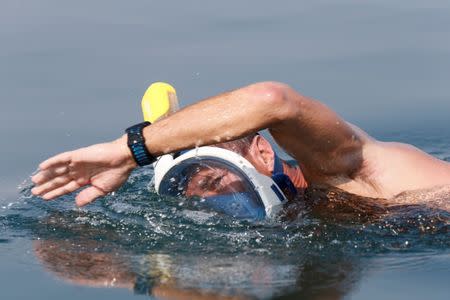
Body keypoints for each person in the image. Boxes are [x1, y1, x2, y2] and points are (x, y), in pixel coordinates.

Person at [31, 82, 450, 211]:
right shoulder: (305, 210)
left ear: (264, 155)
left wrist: (130, 150)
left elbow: (274, 102)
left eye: (215, 180)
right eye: (196, 196)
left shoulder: (346, 172)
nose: (214, 205)